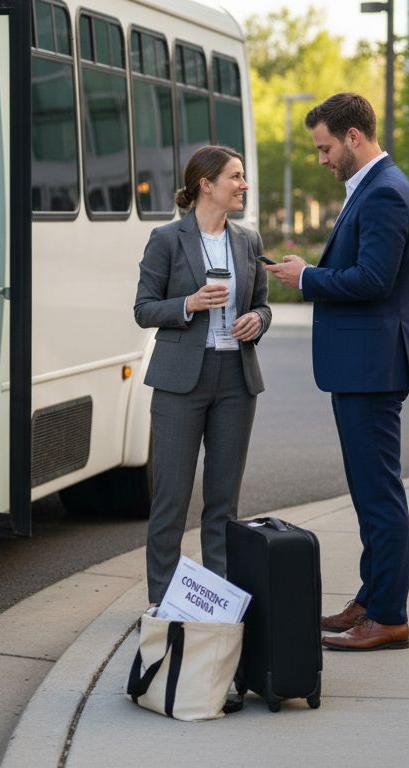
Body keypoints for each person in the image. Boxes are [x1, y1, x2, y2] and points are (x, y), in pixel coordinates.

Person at [265, 93, 409, 652]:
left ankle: (389, 617)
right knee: (368, 491)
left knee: (379, 495)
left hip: (372, 368)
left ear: (354, 137)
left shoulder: (383, 193)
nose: (322, 159)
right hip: (366, 365)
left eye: (325, 148)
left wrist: (307, 277)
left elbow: (373, 280)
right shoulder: (376, 187)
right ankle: (371, 598)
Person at [133, 145, 272, 605]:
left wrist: (259, 320)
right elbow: (144, 309)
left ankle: (219, 606)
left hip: (236, 377)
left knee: (223, 504)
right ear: (205, 185)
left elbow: (262, 303)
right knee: (171, 500)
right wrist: (188, 304)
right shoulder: (167, 239)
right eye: (235, 176)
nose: (243, 185)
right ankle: (162, 602)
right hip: (180, 383)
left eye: (243, 177)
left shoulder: (248, 241)